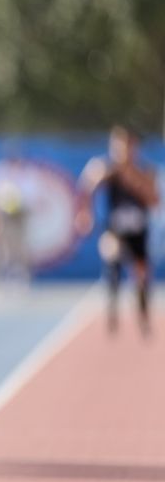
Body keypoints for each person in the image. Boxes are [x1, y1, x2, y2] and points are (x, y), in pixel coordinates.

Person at [76, 125, 159, 334]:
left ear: (135, 148)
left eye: (129, 147)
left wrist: (134, 181)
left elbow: (154, 200)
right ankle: (112, 311)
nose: (124, 152)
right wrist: (85, 213)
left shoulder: (145, 171)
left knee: (141, 274)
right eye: (119, 147)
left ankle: (143, 316)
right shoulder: (106, 170)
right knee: (111, 253)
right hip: (115, 230)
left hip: (138, 230)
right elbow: (87, 185)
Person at [0, 144, 38, 284]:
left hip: (21, 215)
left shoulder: (26, 173)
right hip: (1, 214)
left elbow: (32, 197)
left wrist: (20, 206)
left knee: (20, 245)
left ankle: (20, 274)